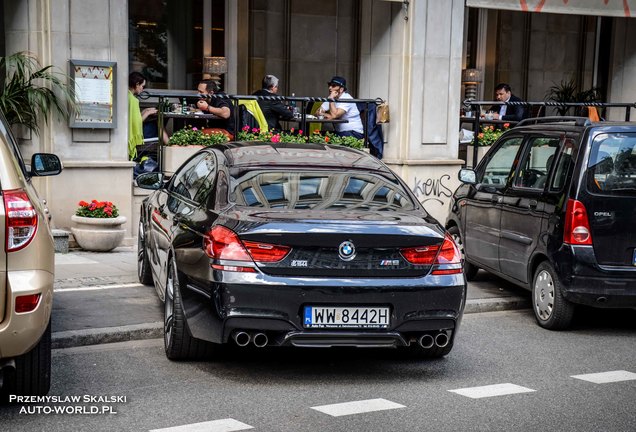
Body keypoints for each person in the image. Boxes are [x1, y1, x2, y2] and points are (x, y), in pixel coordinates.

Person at [128, 71, 167, 161]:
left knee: (156, 122)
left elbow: (131, 119)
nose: (143, 89)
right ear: (137, 84)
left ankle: (169, 144)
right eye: (142, 86)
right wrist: (147, 113)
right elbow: (136, 123)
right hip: (134, 136)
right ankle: (169, 145)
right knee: (157, 122)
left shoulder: (127, 96)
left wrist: (145, 111)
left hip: (127, 132)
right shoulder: (134, 100)